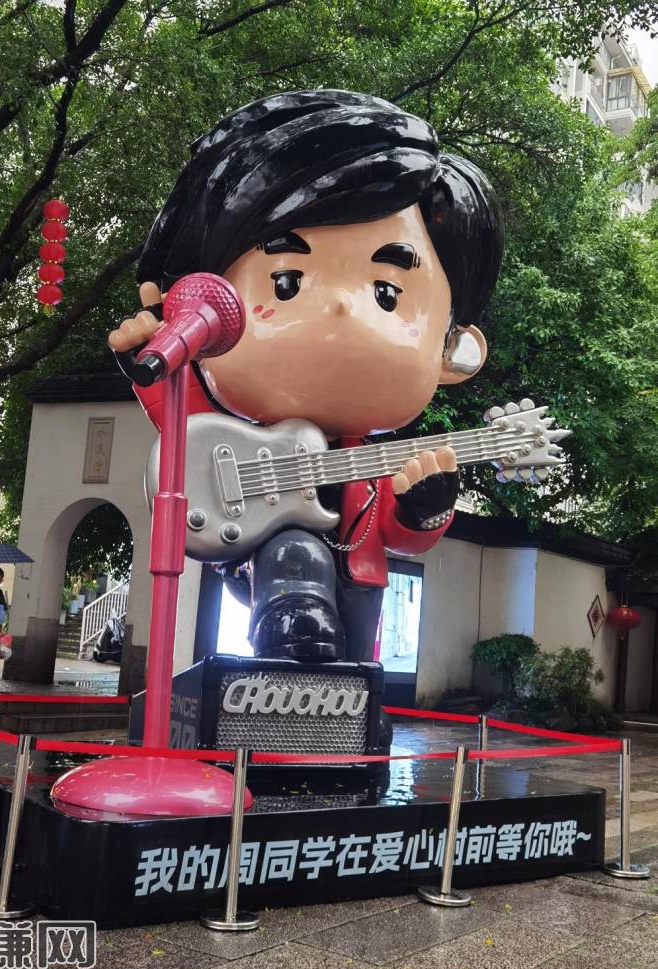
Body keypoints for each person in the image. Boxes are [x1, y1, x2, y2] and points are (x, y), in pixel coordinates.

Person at [109, 89, 503, 663]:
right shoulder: (242, 440)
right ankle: (290, 621)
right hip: (260, 557)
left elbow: (398, 535)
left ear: (453, 349)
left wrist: (426, 507)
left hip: (361, 577)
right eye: (286, 281)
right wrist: (153, 364)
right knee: (294, 551)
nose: (340, 307)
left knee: (357, 673)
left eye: (388, 293)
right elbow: (190, 428)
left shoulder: (369, 464)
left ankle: (350, 709)